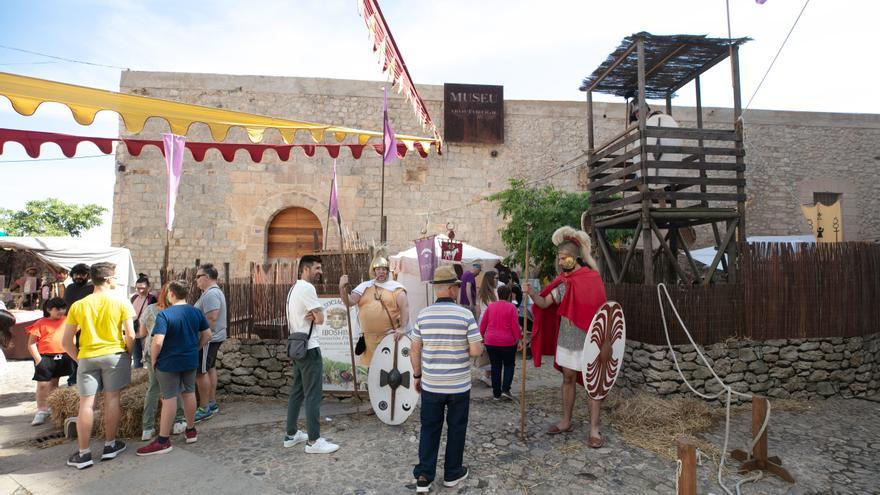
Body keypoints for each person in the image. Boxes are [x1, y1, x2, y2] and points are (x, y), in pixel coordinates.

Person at [525, 226, 607, 448]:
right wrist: (532, 293)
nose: (560, 262)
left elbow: (603, 312)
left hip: (590, 340)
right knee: (568, 378)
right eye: (559, 258)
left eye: (564, 258)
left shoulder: (592, 278)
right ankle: (566, 421)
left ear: (574, 257)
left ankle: (594, 429)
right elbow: (544, 304)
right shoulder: (562, 282)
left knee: (593, 384)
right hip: (567, 340)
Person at [410, 265, 483, 493]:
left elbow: (414, 350)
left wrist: (417, 375)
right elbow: (476, 351)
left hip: (431, 385)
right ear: (452, 289)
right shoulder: (465, 315)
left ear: (437, 289)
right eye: (456, 287)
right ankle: (452, 473)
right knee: (456, 427)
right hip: (458, 385)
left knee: (429, 428)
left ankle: (424, 475)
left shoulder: (423, 315)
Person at [62, 262, 136, 469]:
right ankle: (110, 446)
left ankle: (84, 453)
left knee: (86, 403)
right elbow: (130, 334)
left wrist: (79, 358)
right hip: (114, 354)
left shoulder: (79, 305)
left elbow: (66, 341)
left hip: (88, 355)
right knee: (112, 399)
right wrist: (128, 354)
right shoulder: (121, 302)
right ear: (109, 279)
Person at [136, 280, 211, 455]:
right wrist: (196, 348)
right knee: (189, 393)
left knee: (169, 398)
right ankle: (191, 430)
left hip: (169, 362)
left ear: (171, 293)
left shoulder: (165, 314)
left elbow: (158, 341)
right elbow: (207, 335)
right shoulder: (196, 312)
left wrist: (154, 360)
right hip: (190, 360)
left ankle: (163, 440)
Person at [283, 255, 339, 454]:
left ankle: (291, 435)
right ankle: (314, 441)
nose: (320, 272)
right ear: (305, 269)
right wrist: (316, 315)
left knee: (297, 392)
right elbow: (322, 318)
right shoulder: (308, 288)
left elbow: (312, 316)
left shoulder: (293, 289)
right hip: (309, 347)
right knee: (313, 395)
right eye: (316, 268)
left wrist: (314, 315)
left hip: (297, 346)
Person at [338, 246, 409, 367]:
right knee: (371, 374)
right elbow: (349, 302)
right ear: (373, 270)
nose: (381, 272)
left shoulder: (396, 288)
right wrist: (342, 288)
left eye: (384, 269)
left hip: (389, 339)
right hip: (368, 341)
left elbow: (405, 308)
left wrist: (402, 328)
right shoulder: (364, 287)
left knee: (389, 370)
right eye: (378, 269)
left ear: (387, 271)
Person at [138, 283, 186, 441]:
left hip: (152, 350)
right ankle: (179, 422)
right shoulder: (178, 310)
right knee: (175, 386)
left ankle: (147, 427)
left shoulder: (150, 309)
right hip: (172, 351)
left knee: (153, 388)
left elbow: (142, 333)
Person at [27, 297, 75, 425]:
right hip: (44, 357)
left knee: (54, 383)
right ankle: (41, 410)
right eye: (57, 309)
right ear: (49, 309)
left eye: (63, 308)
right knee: (42, 385)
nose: (61, 311)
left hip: (62, 356)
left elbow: (73, 335)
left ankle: (52, 408)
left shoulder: (68, 320)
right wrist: (39, 360)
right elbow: (31, 344)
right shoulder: (40, 323)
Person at [193, 263, 227, 422]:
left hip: (208, 339)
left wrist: (200, 336)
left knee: (201, 372)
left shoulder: (211, 294)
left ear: (206, 277)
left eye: (198, 276)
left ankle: (204, 407)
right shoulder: (212, 292)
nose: (196, 280)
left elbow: (212, 318)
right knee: (210, 368)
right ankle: (211, 403)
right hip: (213, 337)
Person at [479, 286, 522, 401]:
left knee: (495, 366)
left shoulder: (491, 306)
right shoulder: (512, 307)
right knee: (509, 365)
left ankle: (496, 394)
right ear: (509, 295)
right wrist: (519, 339)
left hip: (491, 341)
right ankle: (506, 389)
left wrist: (481, 337)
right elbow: (515, 326)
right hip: (508, 342)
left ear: (498, 294)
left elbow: (483, 323)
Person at [64, 263, 94, 387]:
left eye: (82, 274)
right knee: (71, 348)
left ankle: (83, 374)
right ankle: (73, 375)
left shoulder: (92, 288)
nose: (78, 277)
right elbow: (68, 305)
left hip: (87, 324)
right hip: (72, 323)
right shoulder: (69, 288)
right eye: (76, 274)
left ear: (87, 275)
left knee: (83, 348)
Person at [130, 274, 157, 369]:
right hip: (134, 332)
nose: (139, 290)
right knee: (136, 358)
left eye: (142, 288)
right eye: (137, 288)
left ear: (148, 288)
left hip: (146, 333)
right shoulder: (133, 298)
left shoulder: (152, 299)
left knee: (148, 357)